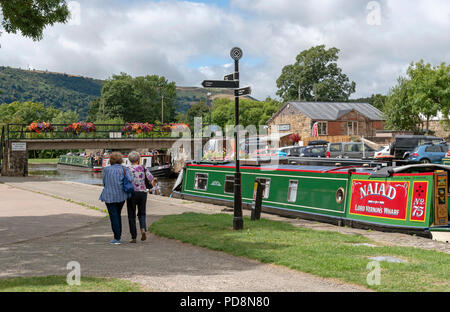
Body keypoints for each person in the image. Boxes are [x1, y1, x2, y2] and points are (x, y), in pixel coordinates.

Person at [99, 152, 133, 245]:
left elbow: (104, 182)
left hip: (109, 195)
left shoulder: (106, 170)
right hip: (121, 195)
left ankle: (117, 238)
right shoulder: (124, 169)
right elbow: (130, 180)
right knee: (118, 214)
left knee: (113, 216)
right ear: (121, 160)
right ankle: (118, 236)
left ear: (111, 160)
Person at [126, 151, 154, 243]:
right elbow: (151, 178)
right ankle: (143, 229)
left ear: (129, 160)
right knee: (142, 213)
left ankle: (134, 237)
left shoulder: (127, 169)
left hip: (131, 193)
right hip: (142, 193)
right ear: (138, 159)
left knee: (131, 215)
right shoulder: (143, 167)